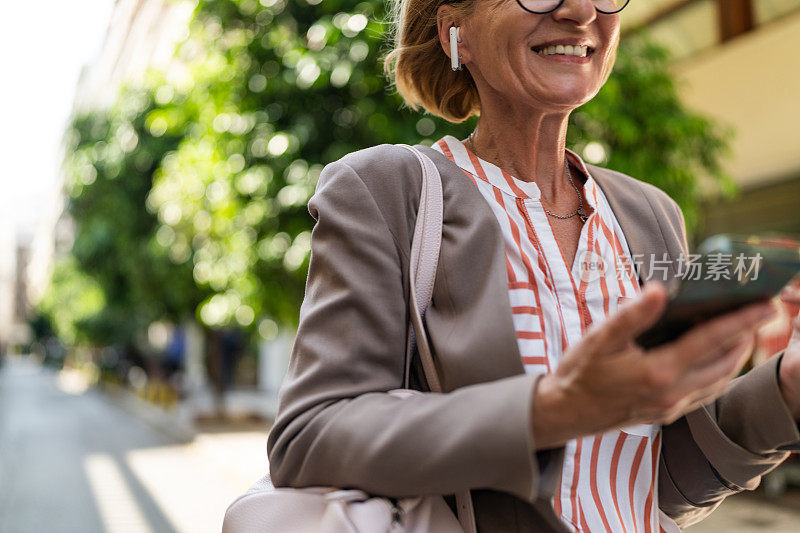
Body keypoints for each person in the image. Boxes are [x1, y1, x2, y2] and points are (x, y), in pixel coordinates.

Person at [267, 1, 800, 531]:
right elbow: (310, 437)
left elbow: (658, 484)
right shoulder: (389, 191)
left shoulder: (650, 212)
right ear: (456, 30)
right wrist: (557, 407)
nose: (579, 10)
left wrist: (785, 391)